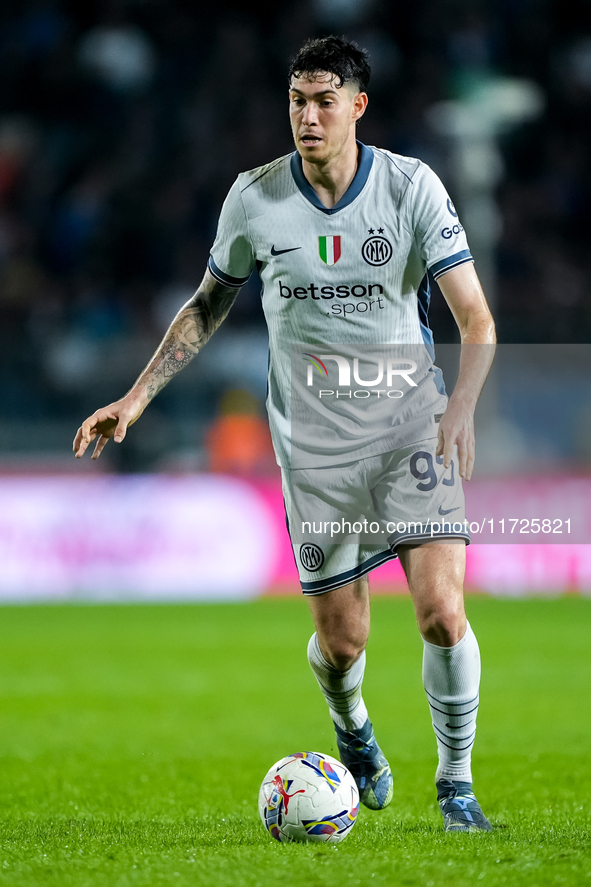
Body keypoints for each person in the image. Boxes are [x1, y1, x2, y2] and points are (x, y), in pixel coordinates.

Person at [73, 35, 496, 832]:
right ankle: (354, 730)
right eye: (297, 100)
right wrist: (135, 397)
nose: (306, 115)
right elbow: (207, 304)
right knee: (343, 642)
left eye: (323, 99)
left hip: (411, 426)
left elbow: (476, 318)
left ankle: (455, 784)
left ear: (356, 107)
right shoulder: (254, 197)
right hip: (314, 446)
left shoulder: (410, 188)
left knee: (441, 609)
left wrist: (461, 406)